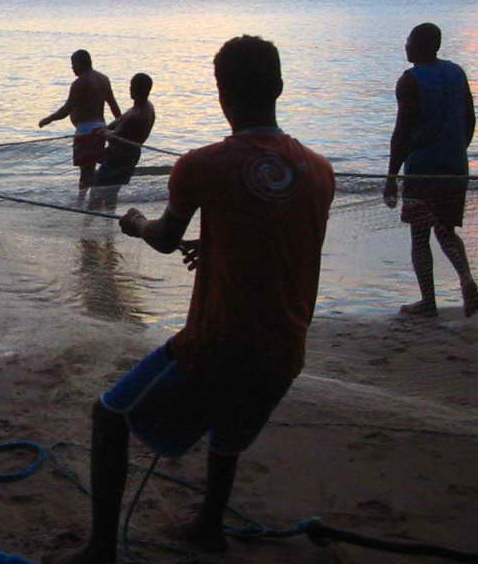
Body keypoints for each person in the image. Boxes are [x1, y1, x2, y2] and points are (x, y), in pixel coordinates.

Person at [58, 35, 334, 562]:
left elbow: (163, 237)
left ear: (221, 92)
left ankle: (100, 549)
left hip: (216, 348)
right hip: (284, 352)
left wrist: (136, 222)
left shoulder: (200, 165)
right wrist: (214, 245)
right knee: (229, 432)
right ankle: (208, 524)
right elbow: (284, 241)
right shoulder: (320, 170)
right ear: (278, 86)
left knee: (110, 416)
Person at [383, 22, 478, 317]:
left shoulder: (410, 80)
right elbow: (470, 119)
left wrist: (391, 176)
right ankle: (465, 278)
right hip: (454, 165)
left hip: (423, 167)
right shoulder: (456, 72)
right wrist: (456, 152)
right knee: (446, 229)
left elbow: (402, 132)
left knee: (420, 234)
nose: (406, 45)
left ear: (421, 45)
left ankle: (428, 301)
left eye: (410, 40)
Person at [38, 49, 122, 199]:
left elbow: (66, 109)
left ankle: (82, 203)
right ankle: (96, 196)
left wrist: (47, 119)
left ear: (80, 63)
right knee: (90, 168)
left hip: (86, 132)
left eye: (73, 65)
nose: (72, 68)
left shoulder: (79, 83)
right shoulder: (104, 79)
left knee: (85, 173)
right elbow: (114, 106)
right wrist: (120, 125)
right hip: (101, 129)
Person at [88, 72, 155, 210]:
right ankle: (108, 224)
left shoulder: (139, 114)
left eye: (133, 86)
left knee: (97, 191)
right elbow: (120, 120)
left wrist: (103, 132)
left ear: (141, 89)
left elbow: (116, 137)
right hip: (123, 155)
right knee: (111, 193)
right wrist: (106, 128)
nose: (130, 89)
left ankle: (88, 224)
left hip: (120, 159)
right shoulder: (142, 106)